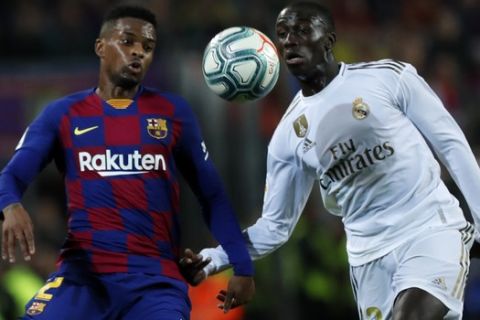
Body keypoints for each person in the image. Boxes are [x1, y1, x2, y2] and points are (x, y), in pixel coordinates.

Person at [181, 2, 480, 319]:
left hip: (430, 228)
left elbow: (450, 144)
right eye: (282, 34)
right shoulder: (287, 137)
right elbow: (275, 227)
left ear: (329, 39)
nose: (290, 40)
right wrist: (214, 257)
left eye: (302, 30)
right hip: (368, 260)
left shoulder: (389, 78)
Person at [0, 5, 254, 320]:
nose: (137, 53)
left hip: (154, 284)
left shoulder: (172, 113)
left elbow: (212, 195)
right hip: (82, 279)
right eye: (127, 42)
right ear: (100, 47)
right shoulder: (62, 114)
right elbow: (11, 176)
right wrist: (10, 206)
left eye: (147, 47)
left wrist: (242, 266)